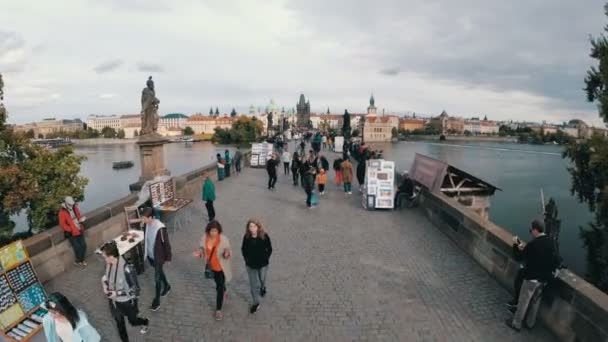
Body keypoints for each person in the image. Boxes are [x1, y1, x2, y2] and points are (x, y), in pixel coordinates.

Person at [505, 220, 558, 332]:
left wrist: (515, 245)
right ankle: (530, 323)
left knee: (524, 301)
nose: (530, 232)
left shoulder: (533, 244)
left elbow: (519, 257)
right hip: (544, 279)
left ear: (535, 230)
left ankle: (516, 323)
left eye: (531, 230)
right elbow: (553, 259)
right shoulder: (551, 242)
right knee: (535, 302)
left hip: (531, 279)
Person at [100, 241, 149, 341]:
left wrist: (117, 293)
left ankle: (145, 322)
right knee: (120, 324)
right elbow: (106, 277)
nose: (104, 259)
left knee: (133, 321)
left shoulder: (127, 268)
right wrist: (104, 285)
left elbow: (135, 290)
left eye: (105, 256)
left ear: (112, 256)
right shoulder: (109, 264)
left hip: (126, 302)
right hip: (114, 302)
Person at [194, 220, 232, 321]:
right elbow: (202, 248)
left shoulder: (223, 239)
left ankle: (218, 310)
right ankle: (223, 289)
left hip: (221, 267)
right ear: (208, 231)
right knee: (218, 283)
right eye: (212, 231)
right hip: (211, 267)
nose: (213, 233)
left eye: (215, 231)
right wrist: (200, 252)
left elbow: (228, 250)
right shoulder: (204, 238)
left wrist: (227, 253)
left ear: (219, 231)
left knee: (219, 288)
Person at [141, 207, 172, 311]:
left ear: (151, 217)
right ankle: (167, 286)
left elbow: (166, 244)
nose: (143, 220)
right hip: (151, 255)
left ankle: (156, 301)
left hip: (158, 256)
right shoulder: (147, 225)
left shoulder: (160, 228)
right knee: (159, 271)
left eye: (145, 218)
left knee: (157, 279)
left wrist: (168, 258)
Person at [241, 219, 273, 314]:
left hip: (263, 264)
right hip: (251, 265)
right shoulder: (246, 237)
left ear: (258, 227)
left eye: (254, 226)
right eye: (250, 226)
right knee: (253, 284)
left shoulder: (264, 236)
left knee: (262, 279)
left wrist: (266, 257)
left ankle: (263, 287)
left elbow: (270, 248)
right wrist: (246, 259)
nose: (252, 229)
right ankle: (256, 303)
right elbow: (243, 249)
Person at [58, 196, 87, 268]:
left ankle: (81, 260)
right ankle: (78, 261)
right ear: (66, 203)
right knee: (77, 247)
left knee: (83, 245)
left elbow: (78, 216)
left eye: (72, 204)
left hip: (79, 228)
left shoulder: (75, 208)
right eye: (70, 204)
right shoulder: (62, 212)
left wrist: (81, 220)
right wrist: (71, 229)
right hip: (71, 233)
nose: (72, 205)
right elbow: (62, 225)